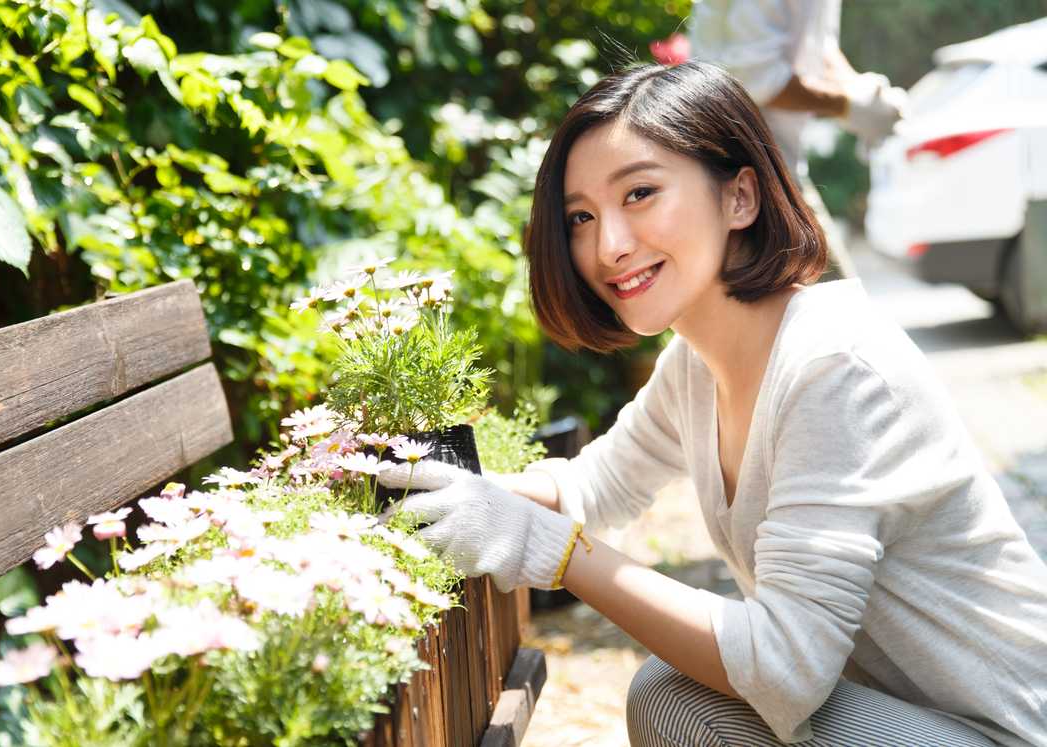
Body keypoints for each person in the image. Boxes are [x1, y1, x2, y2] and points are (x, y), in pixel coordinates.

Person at [379, 62, 1047, 746]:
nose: (608, 245)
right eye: (582, 216)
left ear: (741, 198)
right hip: (899, 715)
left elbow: (784, 667)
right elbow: (594, 484)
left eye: (639, 192)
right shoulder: (697, 364)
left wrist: (548, 549)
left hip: (1002, 729)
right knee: (671, 695)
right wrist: (451, 495)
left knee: (680, 697)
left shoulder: (834, 367)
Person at [687, 0, 909, 280]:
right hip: (740, 172)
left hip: (777, 168)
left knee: (830, 306)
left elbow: (817, 45)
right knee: (834, 308)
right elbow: (757, 77)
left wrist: (861, 91)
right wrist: (847, 105)